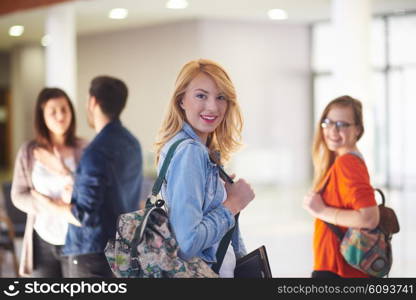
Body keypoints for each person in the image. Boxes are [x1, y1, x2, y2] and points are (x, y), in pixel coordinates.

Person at [154, 59, 255, 278]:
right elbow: (187, 243)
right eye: (201, 95)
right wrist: (233, 204)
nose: (213, 107)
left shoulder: (196, 148)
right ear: (181, 100)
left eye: (221, 97)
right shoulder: (190, 151)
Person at [50, 76, 143, 277]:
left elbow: (83, 216)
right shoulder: (133, 144)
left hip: (91, 254)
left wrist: (48, 204)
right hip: (122, 251)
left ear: (93, 102)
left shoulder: (95, 151)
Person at [11, 88, 88, 277]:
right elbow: (18, 196)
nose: (60, 116)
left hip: (77, 241)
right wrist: (51, 206)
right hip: (41, 241)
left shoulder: (84, 148)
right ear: (42, 116)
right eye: (53, 111)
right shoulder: (29, 152)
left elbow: (91, 192)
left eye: (64, 109)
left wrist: (63, 171)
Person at [303, 95, 380, 278]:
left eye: (342, 125)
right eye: (328, 123)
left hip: (339, 270)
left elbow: (369, 218)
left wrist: (320, 210)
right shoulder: (343, 159)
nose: (332, 131)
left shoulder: (347, 163)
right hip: (338, 267)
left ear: (357, 130)